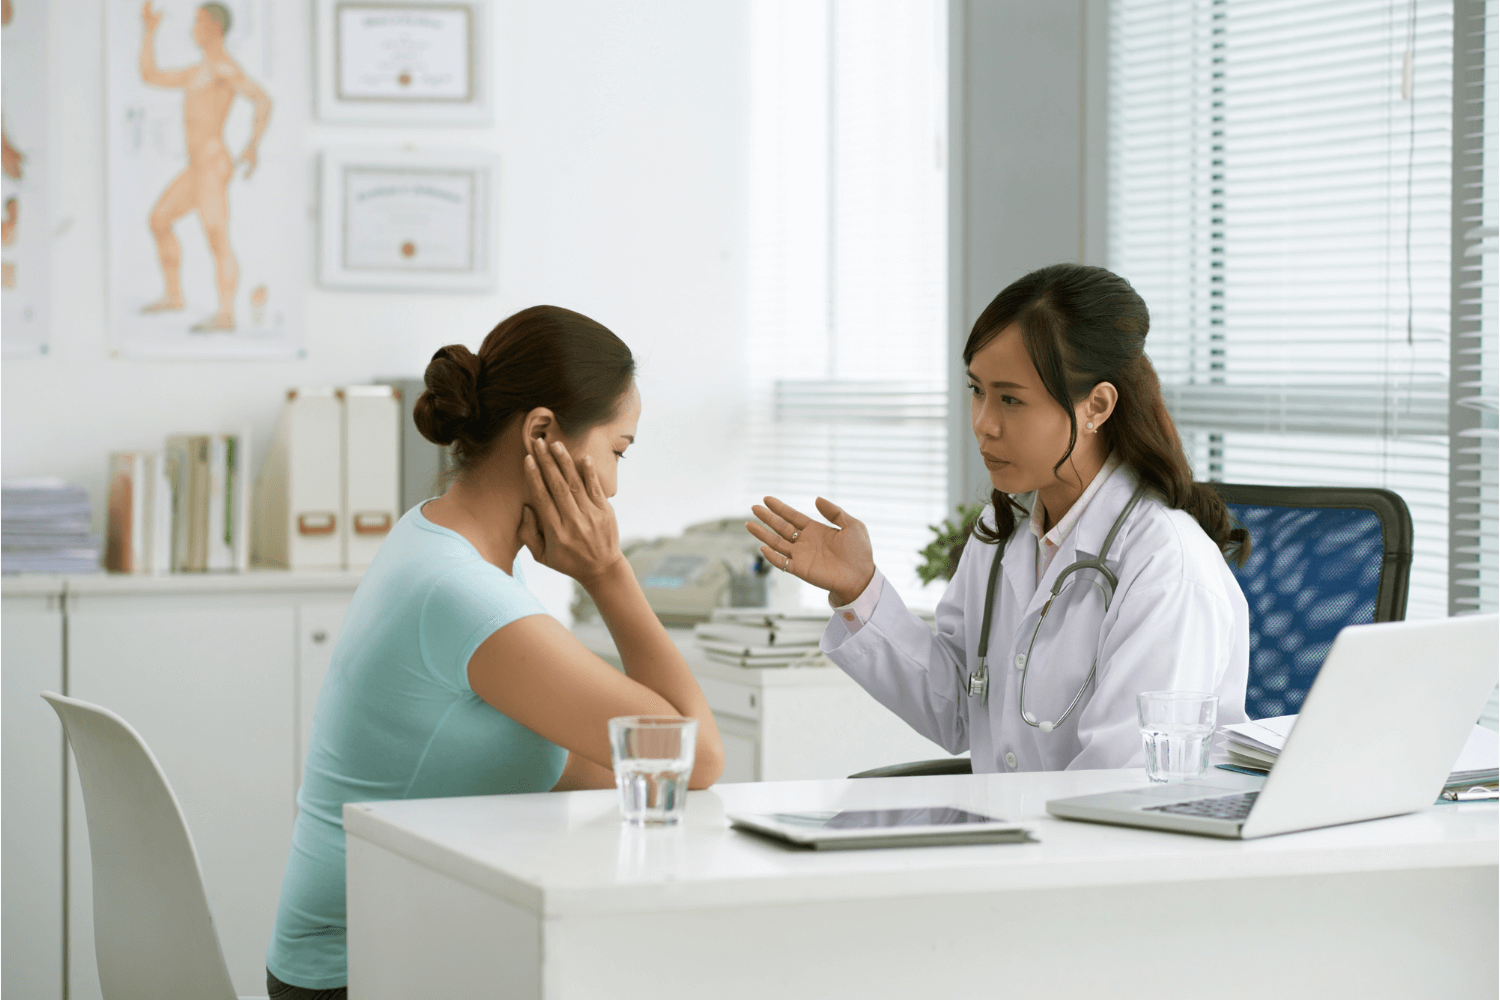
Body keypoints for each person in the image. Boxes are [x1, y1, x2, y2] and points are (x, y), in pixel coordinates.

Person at [266, 306, 724, 999]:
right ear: (540, 432)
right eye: (618, 451)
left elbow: (584, 758)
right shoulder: (460, 593)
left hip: (388, 949)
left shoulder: (443, 542)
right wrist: (609, 572)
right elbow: (696, 757)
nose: (613, 486)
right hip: (355, 977)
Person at [747, 263, 1250, 773]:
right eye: (976, 391)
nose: (984, 424)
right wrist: (859, 589)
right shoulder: (1007, 532)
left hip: (1095, 843)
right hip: (1015, 833)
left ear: (1096, 406)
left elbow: (1120, 783)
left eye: (1010, 399)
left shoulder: (1166, 566)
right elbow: (959, 714)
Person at [138, 1, 272, 331]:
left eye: (198, 23)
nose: (193, 30)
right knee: (159, 220)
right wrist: (150, 31)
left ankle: (226, 314)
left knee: (216, 236)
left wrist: (253, 145)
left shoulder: (224, 68)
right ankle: (174, 296)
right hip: (196, 167)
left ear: (212, 25)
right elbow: (150, 75)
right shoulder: (198, 70)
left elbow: (263, 100)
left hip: (213, 163)